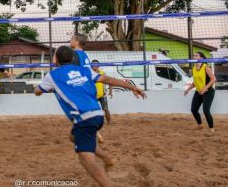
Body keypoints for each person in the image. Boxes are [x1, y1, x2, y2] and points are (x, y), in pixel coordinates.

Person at [34, 46, 146, 187]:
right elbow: (108, 79)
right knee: (73, 137)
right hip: (98, 115)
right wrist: (132, 87)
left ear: (55, 59)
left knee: (86, 160)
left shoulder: (52, 76)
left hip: (84, 118)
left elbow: (37, 91)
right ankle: (107, 158)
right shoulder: (85, 70)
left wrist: (41, 88)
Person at [184, 52, 216, 132]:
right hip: (198, 92)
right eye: (193, 55)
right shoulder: (194, 68)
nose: (194, 57)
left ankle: (211, 128)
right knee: (193, 109)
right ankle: (200, 125)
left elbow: (213, 79)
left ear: (201, 58)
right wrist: (188, 89)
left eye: (196, 56)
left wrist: (205, 88)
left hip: (208, 92)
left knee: (206, 110)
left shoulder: (206, 67)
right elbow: (195, 82)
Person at [92, 59, 112, 125]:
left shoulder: (102, 73)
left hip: (103, 95)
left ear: (98, 66)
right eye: (93, 64)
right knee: (93, 110)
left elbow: (110, 81)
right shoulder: (89, 73)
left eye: (96, 64)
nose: (94, 65)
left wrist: (110, 91)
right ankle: (95, 123)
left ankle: (109, 122)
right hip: (93, 95)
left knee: (105, 109)